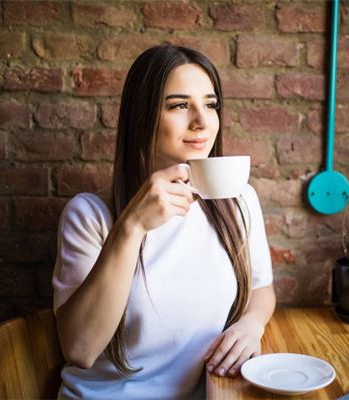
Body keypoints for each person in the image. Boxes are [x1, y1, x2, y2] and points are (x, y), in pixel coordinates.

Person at [52, 45, 276, 399]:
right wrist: (132, 227)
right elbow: (80, 349)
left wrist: (252, 324)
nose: (202, 121)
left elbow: (262, 288)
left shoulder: (238, 201)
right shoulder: (89, 215)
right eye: (179, 105)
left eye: (211, 104)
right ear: (143, 117)